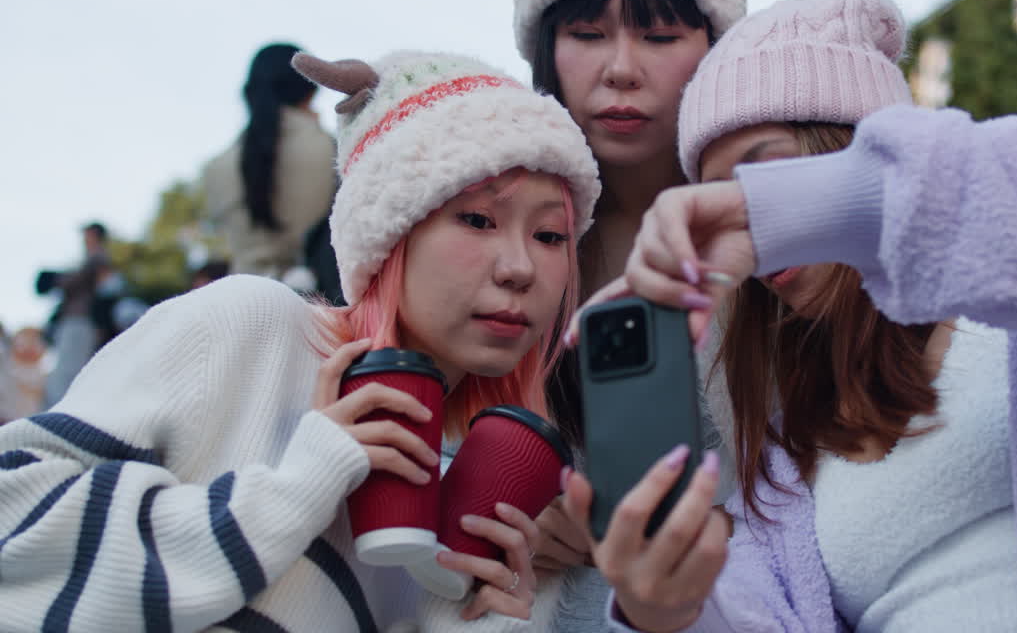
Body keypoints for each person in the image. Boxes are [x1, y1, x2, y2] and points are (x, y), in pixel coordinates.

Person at [559, 0, 1017, 631]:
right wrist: (665, 610)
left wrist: (783, 212)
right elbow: (758, 616)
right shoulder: (786, 451)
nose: (752, 214)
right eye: (723, 190)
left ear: (853, 148)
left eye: (765, 174)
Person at [0, 50, 601, 632]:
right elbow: (14, 515)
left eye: (550, 235)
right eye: (477, 219)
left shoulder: (473, 483)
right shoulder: (252, 328)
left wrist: (478, 615)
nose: (520, 267)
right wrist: (297, 490)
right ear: (389, 235)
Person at [510, 0, 747, 629]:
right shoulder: (511, 236)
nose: (620, 68)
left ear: (717, 48)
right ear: (547, 50)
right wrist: (527, 508)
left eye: (660, 35)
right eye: (587, 35)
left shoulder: (762, 219)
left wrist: (717, 533)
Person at [201, 42, 338, 280]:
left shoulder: (218, 166)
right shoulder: (332, 149)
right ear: (310, 90)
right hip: (319, 299)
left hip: (241, 300)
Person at [41, 221, 113, 407]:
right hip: (75, 321)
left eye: (88, 234)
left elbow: (91, 285)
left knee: (68, 374)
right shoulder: (89, 259)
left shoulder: (98, 258)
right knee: (64, 373)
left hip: (81, 321)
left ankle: (60, 417)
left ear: (95, 235)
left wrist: (58, 280)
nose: (84, 239)